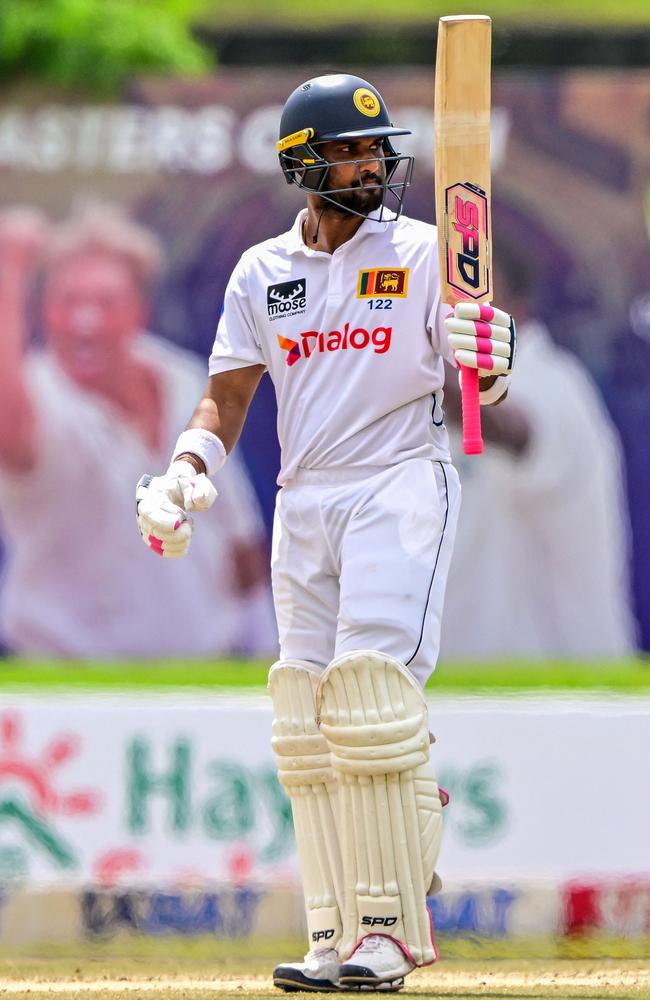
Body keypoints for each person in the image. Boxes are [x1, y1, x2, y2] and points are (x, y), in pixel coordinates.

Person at [136, 74, 516, 990]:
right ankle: (332, 926)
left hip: (399, 489)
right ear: (303, 165)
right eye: (349, 151)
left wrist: (493, 365)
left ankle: (387, 932)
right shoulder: (264, 273)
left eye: (376, 148)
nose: (372, 163)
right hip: (303, 501)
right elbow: (227, 396)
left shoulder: (428, 252)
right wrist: (186, 471)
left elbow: (482, 378)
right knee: (306, 718)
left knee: (370, 700)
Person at [0, 204, 274, 658]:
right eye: (68, 301)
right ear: (45, 312)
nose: (85, 320)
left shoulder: (184, 379)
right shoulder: (37, 398)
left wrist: (265, 643)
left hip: (204, 676)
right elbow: (9, 432)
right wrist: (9, 274)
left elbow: (238, 532)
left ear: (139, 311)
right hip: (68, 683)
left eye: (105, 303)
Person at [440, 242, 636, 659]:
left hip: (562, 693)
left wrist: (414, 368)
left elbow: (513, 430)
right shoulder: (439, 393)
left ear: (516, 306)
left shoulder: (554, 382)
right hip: (473, 693)